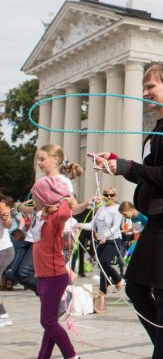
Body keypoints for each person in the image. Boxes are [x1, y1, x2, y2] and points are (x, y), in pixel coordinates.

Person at [94, 61, 163, 359]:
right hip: (158, 218)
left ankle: (161, 355)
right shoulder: (160, 127)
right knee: (136, 289)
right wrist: (117, 161)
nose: (145, 92)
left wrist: (127, 167)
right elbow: (150, 169)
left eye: (150, 86)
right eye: (145, 87)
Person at [15, 144, 87, 295]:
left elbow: (71, 208)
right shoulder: (42, 181)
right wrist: (20, 209)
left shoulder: (62, 182)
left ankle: (57, 297)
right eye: (38, 160)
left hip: (51, 235)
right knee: (16, 272)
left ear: (56, 159)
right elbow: (39, 210)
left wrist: (87, 204)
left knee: (26, 273)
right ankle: (54, 297)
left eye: (42, 159)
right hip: (35, 234)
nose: (39, 163)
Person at [30, 176, 79, 359]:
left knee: (48, 321)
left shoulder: (56, 218)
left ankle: (72, 355)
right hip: (44, 275)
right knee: (50, 321)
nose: (33, 199)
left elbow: (66, 213)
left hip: (54, 275)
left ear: (45, 198)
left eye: (35, 196)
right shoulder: (42, 215)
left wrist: (65, 197)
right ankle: (43, 356)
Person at [81, 187, 125, 295]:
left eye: (112, 195)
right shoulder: (101, 209)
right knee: (101, 266)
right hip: (101, 241)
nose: (109, 197)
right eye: (106, 195)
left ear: (115, 196)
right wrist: (79, 225)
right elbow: (92, 224)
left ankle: (118, 279)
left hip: (113, 240)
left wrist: (106, 235)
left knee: (104, 261)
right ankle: (102, 292)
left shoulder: (117, 209)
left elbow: (115, 226)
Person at [0, 190, 15, 327]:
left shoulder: (2, 204)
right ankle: (3, 316)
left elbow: (8, 225)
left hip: (3, 250)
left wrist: (7, 218)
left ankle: (4, 317)